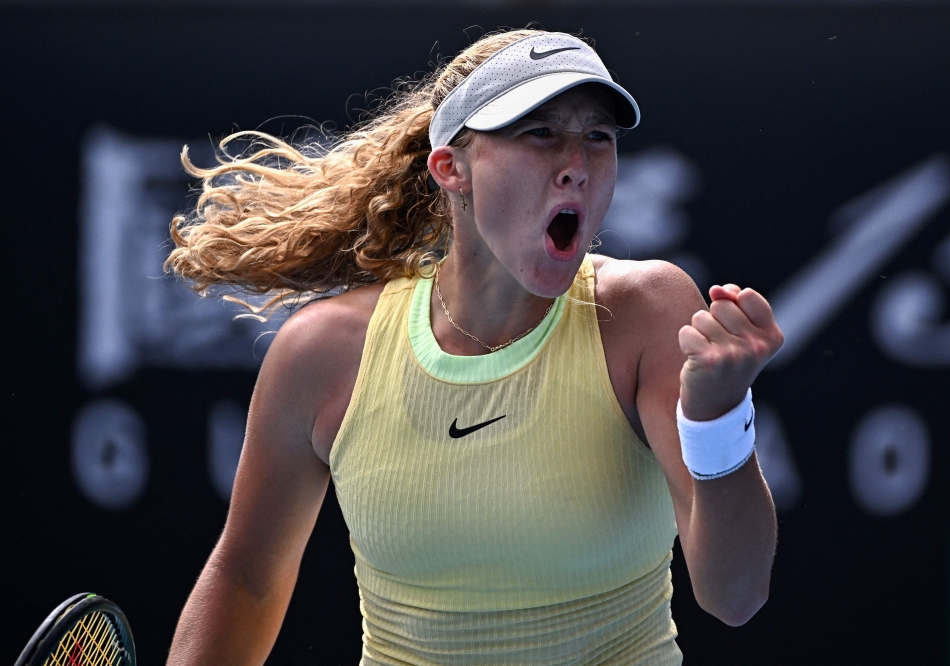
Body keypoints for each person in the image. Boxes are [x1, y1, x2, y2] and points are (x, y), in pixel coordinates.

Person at [164, 28, 782, 665]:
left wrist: (718, 417)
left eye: (598, 135)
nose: (578, 162)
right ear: (450, 168)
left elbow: (735, 595)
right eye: (538, 133)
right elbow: (246, 581)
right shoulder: (323, 353)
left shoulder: (645, 313)